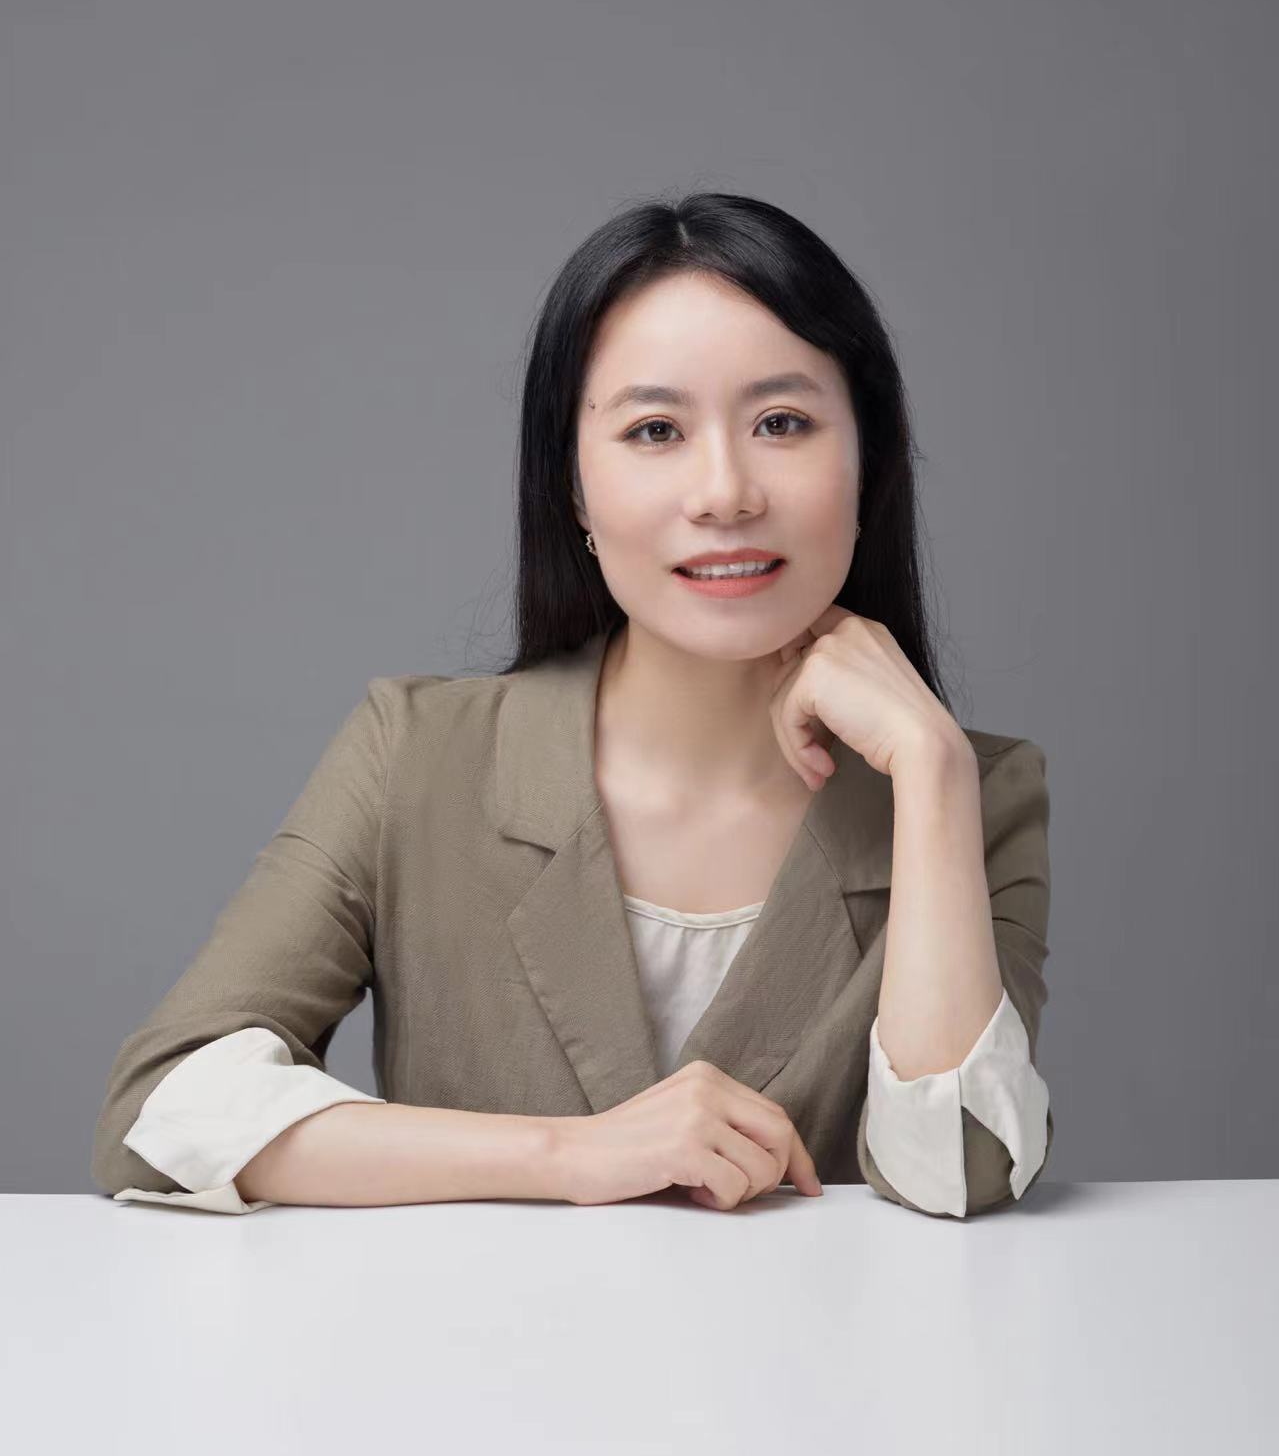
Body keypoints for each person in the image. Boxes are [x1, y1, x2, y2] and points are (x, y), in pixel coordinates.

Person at [91, 190, 1053, 1218]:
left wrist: (930, 771)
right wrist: (566, 1155)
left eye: (781, 422)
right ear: (573, 489)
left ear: (867, 462)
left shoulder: (968, 788)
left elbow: (960, 1171)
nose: (724, 492)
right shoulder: (415, 754)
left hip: (826, 1334)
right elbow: (164, 1111)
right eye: (654, 430)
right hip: (485, 1329)